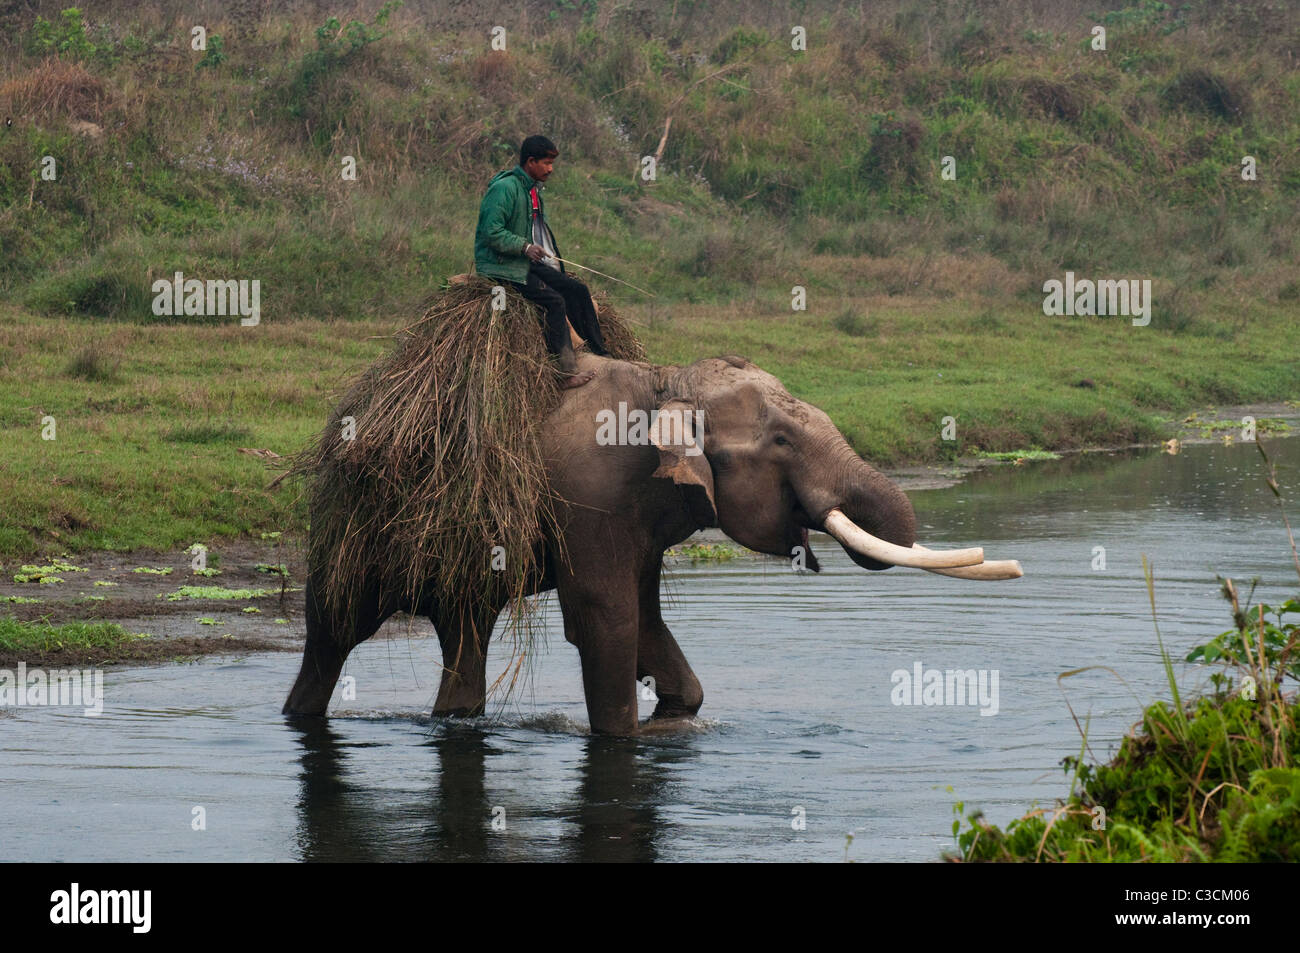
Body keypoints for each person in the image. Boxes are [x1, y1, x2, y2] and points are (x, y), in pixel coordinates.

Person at [473, 135, 609, 389]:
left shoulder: (531, 190)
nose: (550, 168)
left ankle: (601, 354)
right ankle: (565, 372)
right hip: (501, 266)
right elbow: (491, 232)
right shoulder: (505, 188)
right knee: (554, 302)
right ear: (531, 161)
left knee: (576, 290)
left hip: (520, 261)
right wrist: (524, 247)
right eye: (546, 163)